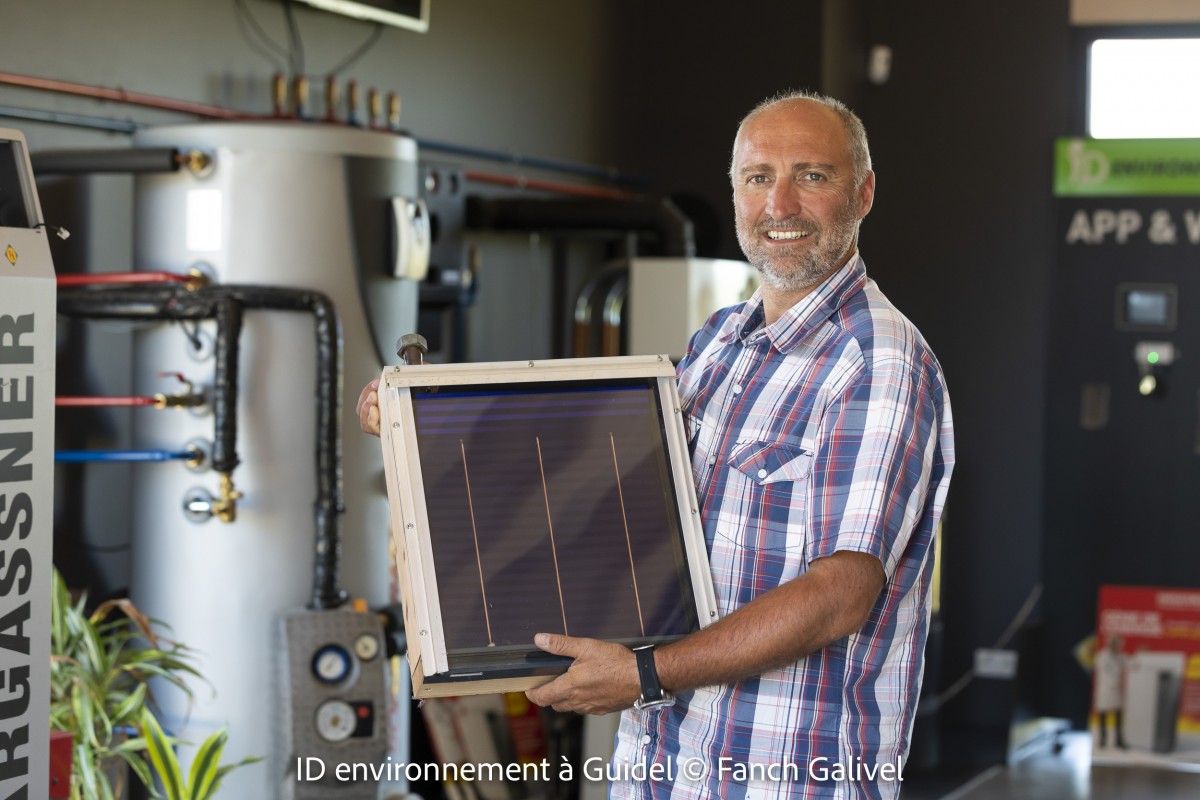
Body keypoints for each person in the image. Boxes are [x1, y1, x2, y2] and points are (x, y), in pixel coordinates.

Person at [357, 90, 954, 800]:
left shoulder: (878, 360)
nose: (780, 203)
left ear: (863, 193)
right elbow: (605, 483)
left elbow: (839, 595)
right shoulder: (720, 340)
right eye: (759, 177)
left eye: (813, 175)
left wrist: (645, 672)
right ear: (734, 191)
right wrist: (417, 427)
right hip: (663, 765)